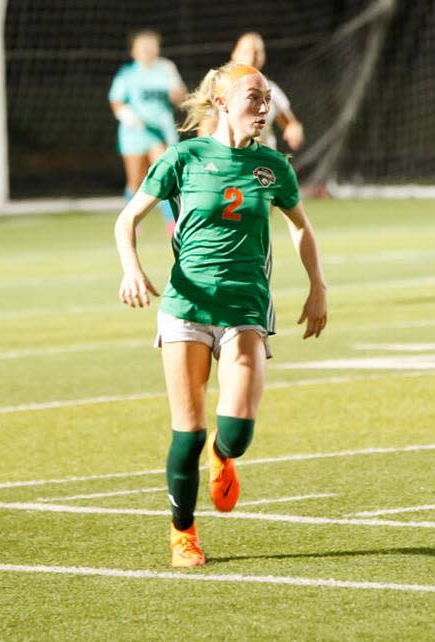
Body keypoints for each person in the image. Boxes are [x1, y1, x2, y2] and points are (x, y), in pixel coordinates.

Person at [114, 61, 328, 568]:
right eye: (254, 97)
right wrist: (131, 269)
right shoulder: (184, 158)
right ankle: (183, 534)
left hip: (245, 309)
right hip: (186, 305)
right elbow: (128, 220)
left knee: (237, 432)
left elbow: (301, 227)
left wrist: (318, 286)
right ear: (222, 104)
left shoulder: (273, 166)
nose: (264, 106)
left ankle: (224, 456)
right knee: (187, 432)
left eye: (267, 97)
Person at [109, 30, 188, 238]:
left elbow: (181, 99)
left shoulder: (166, 69)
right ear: (133, 51)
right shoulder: (127, 74)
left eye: (151, 45)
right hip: (134, 134)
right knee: (135, 182)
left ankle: (173, 222)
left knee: (164, 176)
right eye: (142, 46)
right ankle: (132, 221)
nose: (147, 50)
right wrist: (133, 119)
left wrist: (177, 90)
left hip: (161, 133)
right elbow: (117, 103)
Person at [223, 32, 305, 152]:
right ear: (234, 54)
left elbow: (290, 123)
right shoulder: (222, 89)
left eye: (257, 52)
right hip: (232, 163)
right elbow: (206, 128)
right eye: (246, 52)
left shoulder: (272, 90)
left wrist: (294, 130)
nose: (251, 57)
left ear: (263, 57)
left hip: (264, 163)